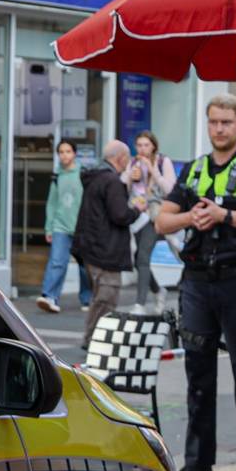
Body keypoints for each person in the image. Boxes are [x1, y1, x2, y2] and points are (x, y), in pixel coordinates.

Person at [155, 94, 236, 471]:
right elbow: (161, 221)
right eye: (213, 122)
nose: (219, 129)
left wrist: (224, 215)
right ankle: (198, 463)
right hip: (197, 283)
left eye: (226, 122)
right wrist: (194, 216)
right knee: (198, 377)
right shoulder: (194, 170)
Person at [72, 140, 137, 348]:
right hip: (106, 249)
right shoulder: (111, 181)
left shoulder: (95, 177)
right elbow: (120, 215)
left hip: (92, 247)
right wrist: (137, 209)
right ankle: (95, 340)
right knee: (106, 298)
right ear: (121, 158)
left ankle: (93, 338)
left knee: (99, 297)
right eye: (128, 158)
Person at [124, 131, 177, 308]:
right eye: (139, 145)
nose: (142, 149)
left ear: (153, 145)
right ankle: (158, 290)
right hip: (137, 215)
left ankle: (139, 303)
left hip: (155, 215)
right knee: (139, 258)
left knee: (142, 257)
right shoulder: (133, 162)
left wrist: (153, 170)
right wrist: (131, 178)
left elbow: (170, 189)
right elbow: (124, 186)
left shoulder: (163, 161)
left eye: (146, 145)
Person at [36, 141, 82, 314]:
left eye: (68, 151)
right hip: (60, 226)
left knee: (84, 268)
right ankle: (50, 297)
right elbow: (52, 204)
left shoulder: (82, 174)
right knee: (57, 262)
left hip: (80, 228)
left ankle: (87, 299)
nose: (64, 155)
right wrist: (49, 228)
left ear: (74, 154)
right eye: (61, 152)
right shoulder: (56, 176)